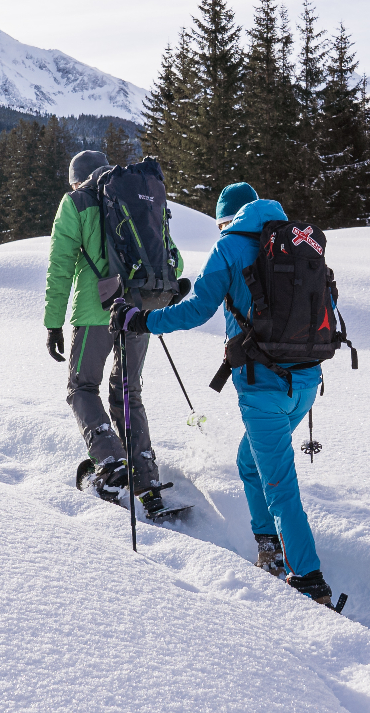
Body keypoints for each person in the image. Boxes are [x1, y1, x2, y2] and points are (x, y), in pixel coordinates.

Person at [108, 181, 338, 608]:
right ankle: (268, 546)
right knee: (249, 461)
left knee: (280, 484)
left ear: (227, 220)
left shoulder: (230, 248)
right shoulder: (297, 240)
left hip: (263, 386)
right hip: (307, 381)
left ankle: (309, 579)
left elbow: (196, 310)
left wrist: (141, 321)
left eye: (219, 223)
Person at [43, 149, 186, 516]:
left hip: (96, 313)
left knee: (82, 387)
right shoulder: (136, 194)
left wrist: (53, 323)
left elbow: (60, 266)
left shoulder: (75, 202)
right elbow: (174, 258)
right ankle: (148, 483)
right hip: (139, 309)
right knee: (127, 391)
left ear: (77, 179)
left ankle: (110, 463)